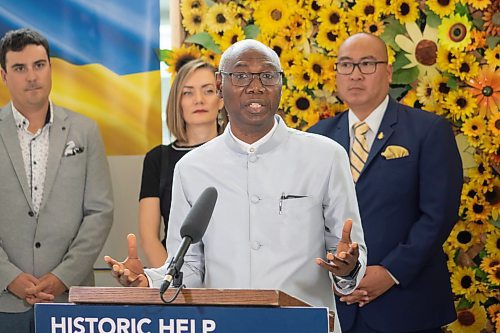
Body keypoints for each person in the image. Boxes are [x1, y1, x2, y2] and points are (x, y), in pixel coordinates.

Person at [105, 39, 367, 333]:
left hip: (304, 325)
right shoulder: (193, 168)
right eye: (241, 75)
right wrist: (150, 281)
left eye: (267, 76)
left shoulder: (326, 156)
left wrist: (348, 269)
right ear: (220, 85)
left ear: (280, 85)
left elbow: (347, 258)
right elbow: (188, 267)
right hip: (224, 326)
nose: (255, 86)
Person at [309, 33, 463, 333]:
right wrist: (340, 276)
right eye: (346, 65)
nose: (355, 74)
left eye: (367, 64)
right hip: (336, 307)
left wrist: (391, 272)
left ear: (388, 72)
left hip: (407, 305)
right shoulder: (317, 137)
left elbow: (438, 215)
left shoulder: (428, 131)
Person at [0, 28, 113, 333]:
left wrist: (63, 275)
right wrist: (8, 276)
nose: (31, 76)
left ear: (51, 68)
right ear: (4, 75)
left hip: (70, 299)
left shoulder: (85, 131)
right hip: (3, 302)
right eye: (19, 68)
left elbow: (99, 212)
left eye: (39, 65)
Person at [139, 59, 224, 267]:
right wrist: (173, 280)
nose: (199, 100)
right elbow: (149, 238)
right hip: (176, 280)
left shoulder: (239, 153)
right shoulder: (157, 159)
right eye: (188, 92)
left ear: (221, 99)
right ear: (177, 102)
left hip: (231, 276)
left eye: (208, 91)